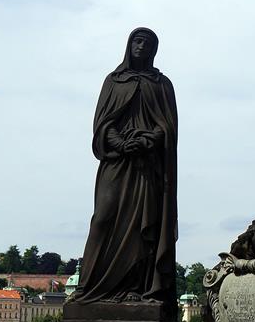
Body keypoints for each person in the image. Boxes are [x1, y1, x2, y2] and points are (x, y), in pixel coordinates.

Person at [72, 27, 178, 304]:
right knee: (102, 219)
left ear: (154, 50)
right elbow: (101, 124)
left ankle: (136, 288)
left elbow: (168, 127)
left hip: (147, 166)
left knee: (143, 228)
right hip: (117, 162)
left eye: (147, 43)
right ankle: (87, 286)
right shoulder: (114, 81)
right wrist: (119, 144)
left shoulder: (161, 84)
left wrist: (148, 141)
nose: (141, 46)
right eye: (137, 41)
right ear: (129, 45)